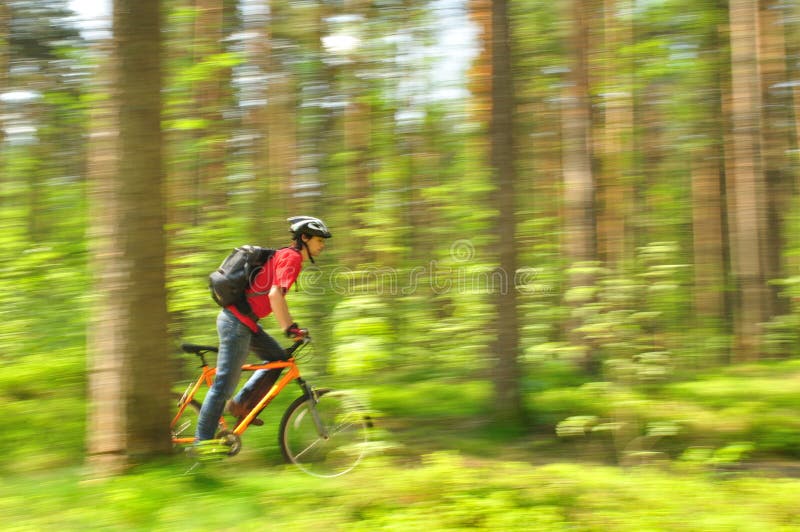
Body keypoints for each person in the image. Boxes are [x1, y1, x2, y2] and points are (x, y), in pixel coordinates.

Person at [194, 216, 331, 443]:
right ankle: (202, 445)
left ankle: (241, 404)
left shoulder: (286, 256)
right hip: (236, 324)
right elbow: (275, 294)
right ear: (304, 238)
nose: (322, 245)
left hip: (244, 323)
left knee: (277, 358)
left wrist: (292, 328)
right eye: (319, 239)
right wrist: (290, 328)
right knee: (222, 388)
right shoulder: (292, 257)